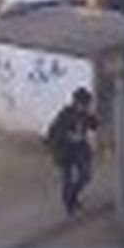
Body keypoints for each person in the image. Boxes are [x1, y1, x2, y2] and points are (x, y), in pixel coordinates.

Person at [45, 86, 99, 215]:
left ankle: (73, 197)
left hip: (79, 149)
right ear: (76, 102)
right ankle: (69, 205)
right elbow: (54, 132)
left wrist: (92, 117)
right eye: (83, 104)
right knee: (67, 178)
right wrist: (68, 137)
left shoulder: (85, 115)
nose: (84, 107)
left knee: (85, 175)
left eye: (86, 104)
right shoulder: (65, 114)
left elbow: (95, 125)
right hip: (65, 150)